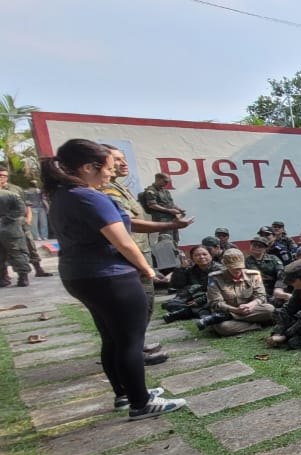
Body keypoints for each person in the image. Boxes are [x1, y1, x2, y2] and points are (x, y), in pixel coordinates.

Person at [40, 138, 190, 419]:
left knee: (112, 337)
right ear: (88, 167)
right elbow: (124, 242)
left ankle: (125, 393)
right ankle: (141, 402)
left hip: (80, 275)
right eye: (108, 168)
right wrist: (147, 270)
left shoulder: (62, 195)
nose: (110, 173)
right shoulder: (89, 196)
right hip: (110, 276)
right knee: (131, 341)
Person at [201, 248, 275, 336]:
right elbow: (215, 303)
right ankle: (259, 324)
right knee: (224, 327)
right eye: (233, 268)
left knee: (269, 309)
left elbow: (261, 296)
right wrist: (235, 310)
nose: (237, 270)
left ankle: (230, 318)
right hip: (227, 310)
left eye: (240, 267)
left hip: (250, 310)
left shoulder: (254, 275)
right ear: (225, 266)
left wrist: (250, 305)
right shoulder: (215, 278)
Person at [162, 245, 223, 323]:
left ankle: (186, 312)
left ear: (211, 256)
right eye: (197, 255)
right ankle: (198, 312)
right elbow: (176, 286)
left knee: (215, 304)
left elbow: (220, 290)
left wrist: (199, 301)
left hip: (212, 297)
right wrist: (181, 268)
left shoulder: (219, 270)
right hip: (194, 298)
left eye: (204, 254)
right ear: (192, 258)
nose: (201, 257)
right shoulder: (191, 270)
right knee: (170, 304)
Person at [0, 168, 30, 287]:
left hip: (9, 226)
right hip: (11, 227)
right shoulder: (11, 194)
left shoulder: (11, 193)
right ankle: (23, 277)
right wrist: (9, 218)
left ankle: (2, 278)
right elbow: (21, 208)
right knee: (17, 251)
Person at [139, 172, 185, 244]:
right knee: (165, 239)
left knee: (175, 239)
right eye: (165, 181)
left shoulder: (165, 191)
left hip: (172, 218)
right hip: (161, 219)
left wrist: (179, 209)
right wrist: (169, 210)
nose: (167, 184)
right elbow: (152, 205)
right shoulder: (151, 191)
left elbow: (170, 203)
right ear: (158, 179)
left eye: (168, 182)